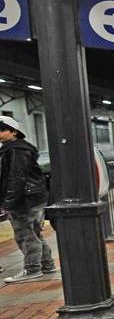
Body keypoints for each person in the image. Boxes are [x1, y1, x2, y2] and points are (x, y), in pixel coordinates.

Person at [0, 117, 56, 283]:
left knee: (25, 235)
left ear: (14, 132)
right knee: (35, 234)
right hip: (32, 197)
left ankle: (32, 269)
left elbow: (16, 178)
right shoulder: (15, 148)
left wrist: (8, 203)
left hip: (24, 200)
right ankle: (47, 265)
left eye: (2, 130)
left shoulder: (16, 150)